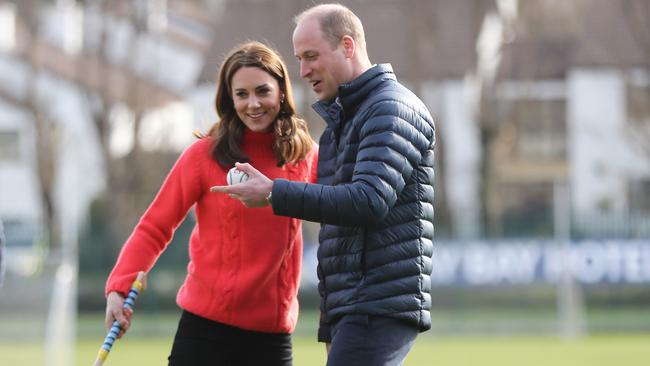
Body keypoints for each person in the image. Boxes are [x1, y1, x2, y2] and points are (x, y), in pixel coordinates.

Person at [210, 4, 436, 366]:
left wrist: (273, 192)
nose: (303, 71)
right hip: (351, 306)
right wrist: (331, 318)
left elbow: (367, 200)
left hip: (376, 307)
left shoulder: (389, 108)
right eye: (299, 58)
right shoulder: (340, 123)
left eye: (312, 56)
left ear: (348, 46)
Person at [103, 41, 318, 366]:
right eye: (242, 94)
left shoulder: (306, 157)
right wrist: (118, 288)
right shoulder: (202, 156)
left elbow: (341, 209)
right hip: (204, 332)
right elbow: (155, 227)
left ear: (282, 92)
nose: (253, 103)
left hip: (271, 338)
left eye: (263, 91)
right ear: (229, 100)